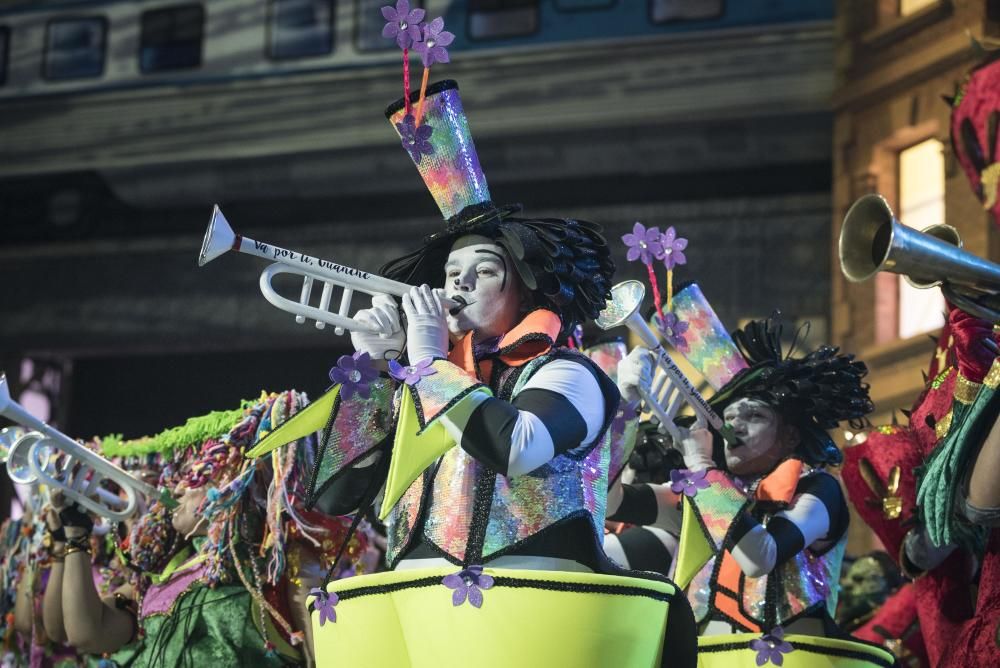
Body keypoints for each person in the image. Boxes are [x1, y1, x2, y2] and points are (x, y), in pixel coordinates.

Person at [252, 77, 696, 667]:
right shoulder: (431, 379)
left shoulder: (568, 373)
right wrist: (373, 367)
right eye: (451, 271)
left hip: (535, 621)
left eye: (482, 270)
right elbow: (337, 493)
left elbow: (517, 445)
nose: (455, 284)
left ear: (529, 291)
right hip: (416, 616)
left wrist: (429, 362)